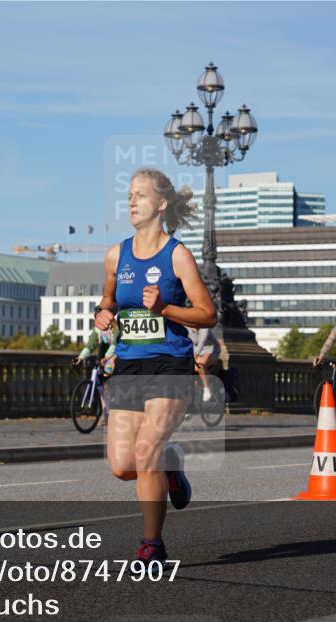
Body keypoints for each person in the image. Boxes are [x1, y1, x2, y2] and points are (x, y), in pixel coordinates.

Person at [94, 167, 217, 564]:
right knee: (123, 466)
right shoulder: (117, 254)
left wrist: (164, 307)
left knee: (146, 451)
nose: (131, 202)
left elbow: (207, 313)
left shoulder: (177, 255)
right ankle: (172, 464)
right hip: (130, 365)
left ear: (161, 203)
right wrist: (103, 313)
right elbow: (108, 299)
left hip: (171, 365)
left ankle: (152, 545)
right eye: (129, 195)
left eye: (140, 195)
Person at [188, 326, 221, 401]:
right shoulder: (188, 328)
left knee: (200, 365)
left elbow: (202, 342)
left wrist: (195, 355)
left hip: (211, 349)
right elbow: (191, 343)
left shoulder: (204, 328)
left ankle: (206, 388)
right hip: (198, 351)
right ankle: (196, 387)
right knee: (191, 367)